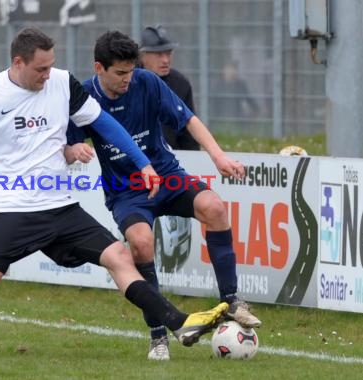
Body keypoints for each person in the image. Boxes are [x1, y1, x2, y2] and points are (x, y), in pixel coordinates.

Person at [0, 27, 229, 363]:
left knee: (119, 256)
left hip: (61, 207)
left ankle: (178, 323)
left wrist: (142, 163)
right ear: (18, 62)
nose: (48, 75)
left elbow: (105, 124)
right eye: (40, 69)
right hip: (14, 210)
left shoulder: (64, 84)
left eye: (51, 67)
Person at [65, 30, 261, 361]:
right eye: (120, 73)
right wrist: (75, 150)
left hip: (167, 177)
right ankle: (158, 335)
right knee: (140, 243)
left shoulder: (147, 82)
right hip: (127, 191)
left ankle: (232, 302)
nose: (128, 79)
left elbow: (188, 120)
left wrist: (218, 156)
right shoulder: (84, 97)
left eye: (131, 71)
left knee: (214, 206)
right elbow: (67, 146)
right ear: (99, 68)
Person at [138, 24, 199, 151]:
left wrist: (193, 162)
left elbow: (188, 133)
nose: (165, 60)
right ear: (142, 55)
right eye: (159, 54)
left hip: (171, 160)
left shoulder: (181, 84)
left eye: (169, 53)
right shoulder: (127, 81)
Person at [211, 60, 260, 130]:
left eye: (233, 69)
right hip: (220, 120)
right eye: (228, 69)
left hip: (238, 121)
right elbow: (212, 105)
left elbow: (250, 100)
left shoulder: (240, 84)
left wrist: (255, 110)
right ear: (223, 71)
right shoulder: (218, 85)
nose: (231, 72)